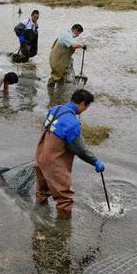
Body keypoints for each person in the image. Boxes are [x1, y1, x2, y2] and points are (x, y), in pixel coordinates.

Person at [35, 89, 105, 219]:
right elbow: (80, 150)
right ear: (83, 103)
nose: (85, 109)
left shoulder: (55, 109)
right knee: (65, 198)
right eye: (87, 106)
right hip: (54, 162)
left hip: (41, 155)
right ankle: (63, 230)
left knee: (42, 191)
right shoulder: (72, 123)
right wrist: (95, 161)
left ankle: (39, 217)